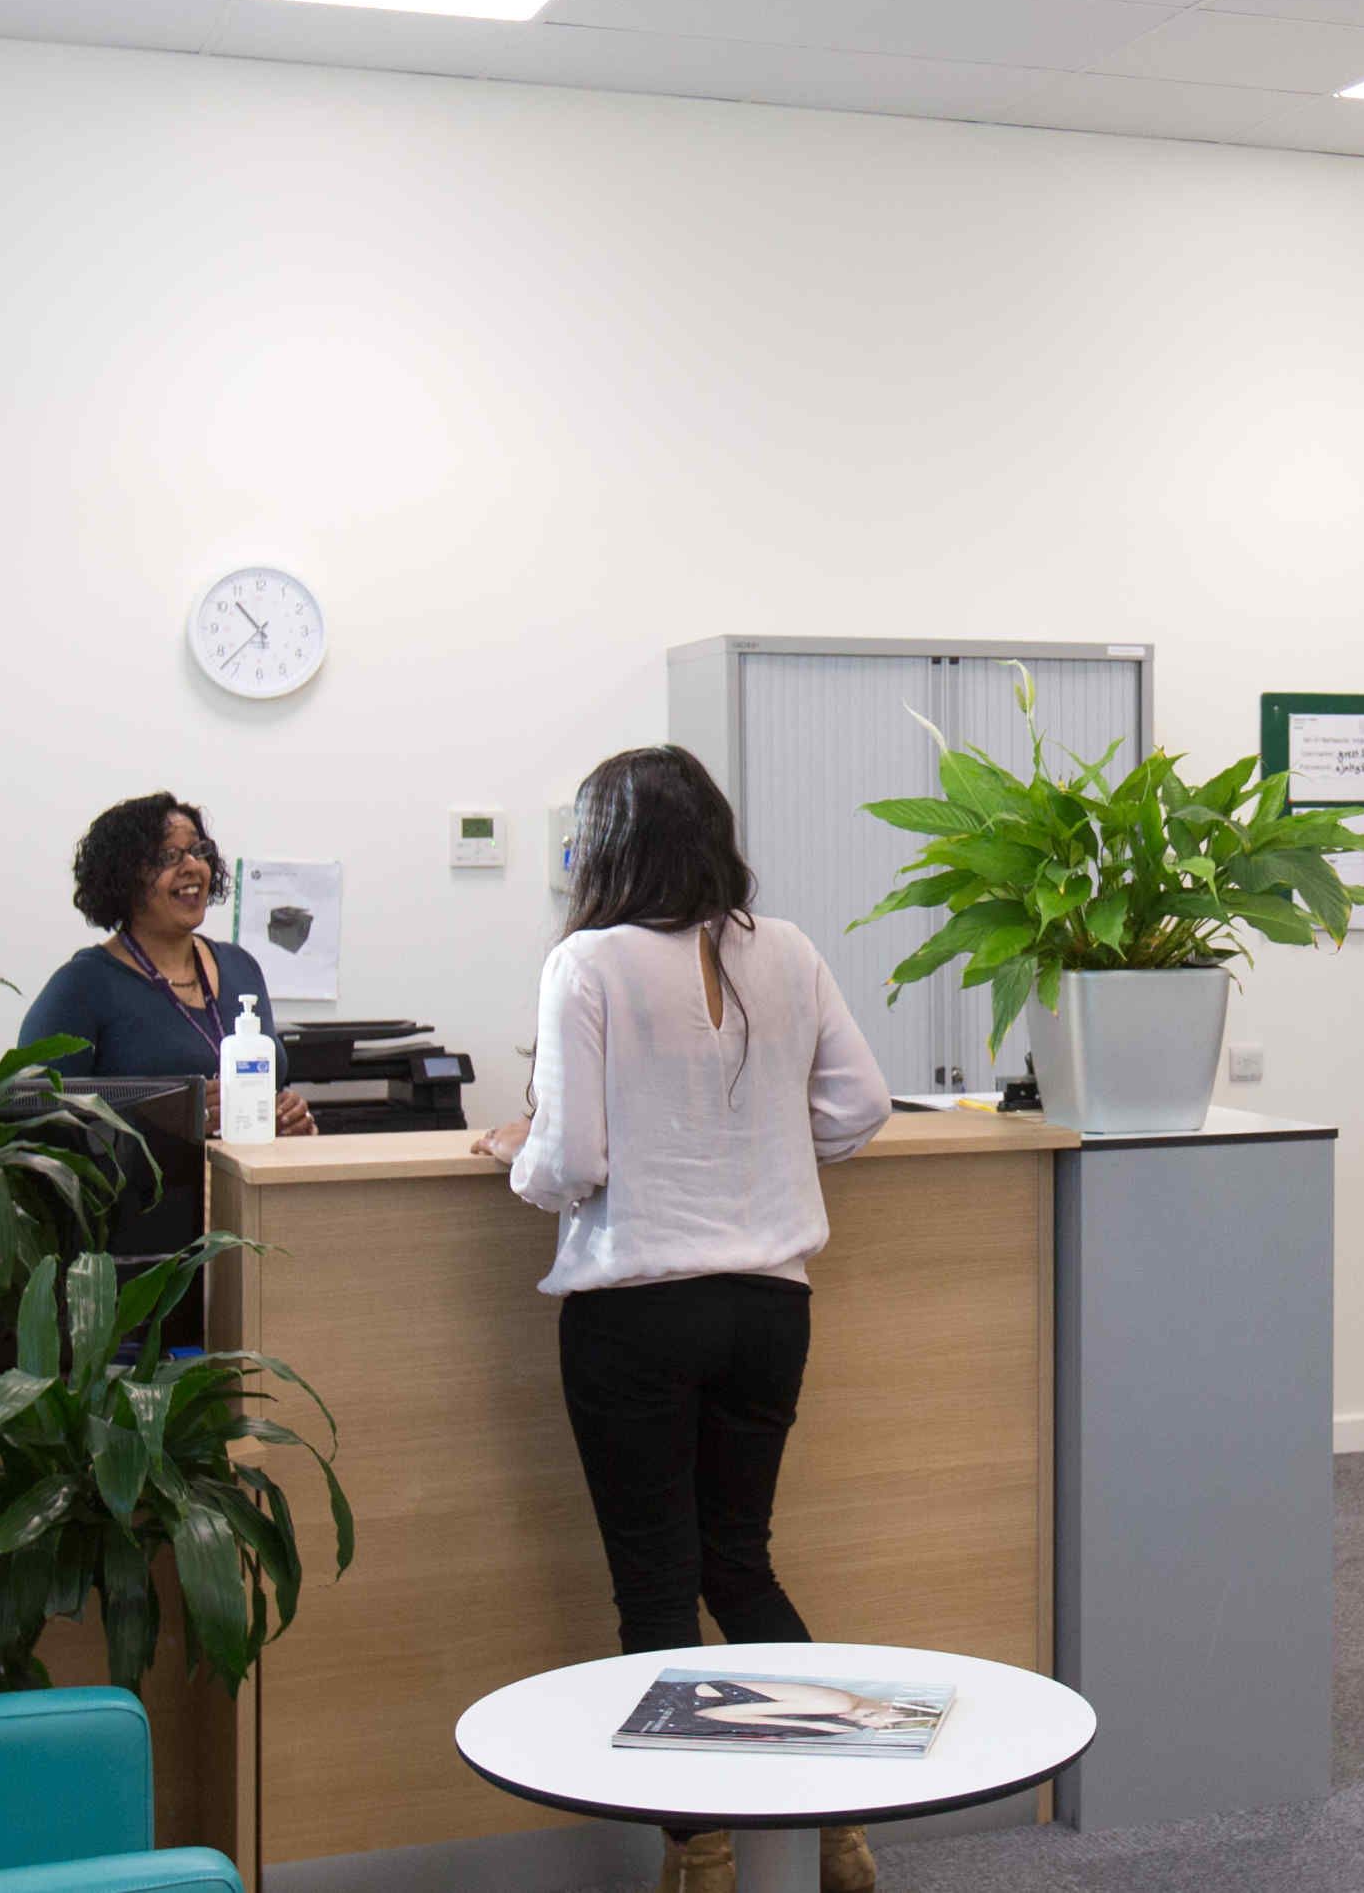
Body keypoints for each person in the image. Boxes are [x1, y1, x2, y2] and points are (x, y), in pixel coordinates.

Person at [472, 746, 891, 1893]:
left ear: (603, 846)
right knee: (739, 1563)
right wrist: (749, 1151)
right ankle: (830, 1825)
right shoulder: (786, 947)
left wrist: (516, 1155)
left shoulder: (587, 962)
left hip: (635, 1315)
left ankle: (702, 1851)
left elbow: (569, 1161)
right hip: (769, 1306)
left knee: (657, 1587)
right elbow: (860, 1108)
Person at [19, 792, 315, 1134]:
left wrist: (292, 1119)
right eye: (168, 856)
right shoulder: (82, 986)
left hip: (248, 1183)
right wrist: (173, 1120)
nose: (191, 865)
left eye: (198, 850)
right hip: (143, 1187)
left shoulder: (240, 967)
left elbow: (270, 1086)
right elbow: (33, 1117)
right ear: (124, 878)